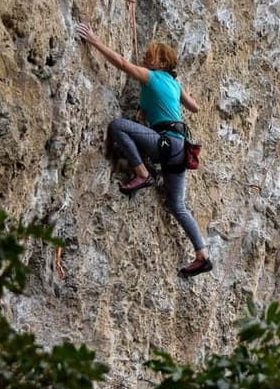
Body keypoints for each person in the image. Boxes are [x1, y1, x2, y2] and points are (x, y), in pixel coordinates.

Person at [75, 22, 212, 278]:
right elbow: (195, 108)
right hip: (180, 150)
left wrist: (93, 41)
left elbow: (123, 65)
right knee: (177, 205)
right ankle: (202, 254)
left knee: (117, 126)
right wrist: (161, 102)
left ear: (160, 63)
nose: (144, 57)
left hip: (165, 144)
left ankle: (141, 173)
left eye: (149, 56)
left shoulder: (152, 76)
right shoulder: (174, 83)